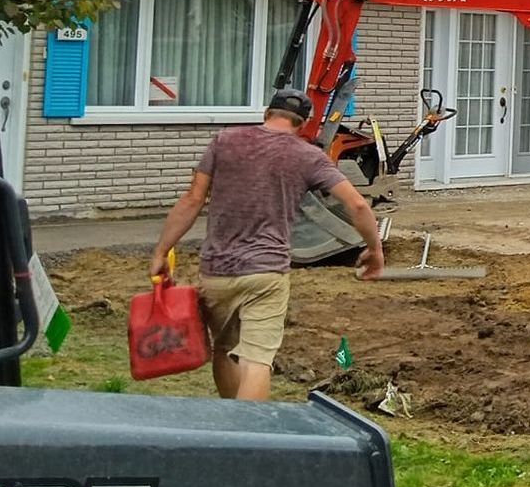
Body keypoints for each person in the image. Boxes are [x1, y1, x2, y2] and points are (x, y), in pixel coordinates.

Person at [149, 91, 384, 401]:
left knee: (224, 349)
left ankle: (234, 420)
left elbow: (193, 199)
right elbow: (358, 205)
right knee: (256, 360)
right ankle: (252, 429)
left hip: (217, 272)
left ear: (266, 113)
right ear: (303, 124)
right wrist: (375, 250)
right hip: (266, 274)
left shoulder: (224, 141)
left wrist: (161, 251)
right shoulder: (307, 155)